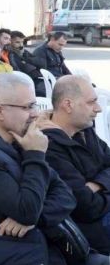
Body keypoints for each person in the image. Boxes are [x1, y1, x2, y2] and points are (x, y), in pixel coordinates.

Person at [0, 73, 78, 265]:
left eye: (34, 105)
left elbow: (66, 195)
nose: (35, 114)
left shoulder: (18, 141)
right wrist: (35, 156)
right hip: (6, 256)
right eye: (27, 107)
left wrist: (35, 218)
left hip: (42, 249)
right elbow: (27, 210)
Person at [39, 75, 110, 254]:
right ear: (68, 105)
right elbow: (85, 207)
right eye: (91, 102)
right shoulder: (47, 145)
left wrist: (97, 184)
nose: (98, 108)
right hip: (92, 232)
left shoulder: (85, 129)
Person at [8, 30, 46, 96]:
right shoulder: (10, 54)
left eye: (22, 42)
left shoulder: (23, 52)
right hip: (26, 82)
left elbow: (42, 63)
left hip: (37, 78)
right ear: (10, 42)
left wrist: (27, 59)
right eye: (17, 42)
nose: (21, 45)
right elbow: (16, 70)